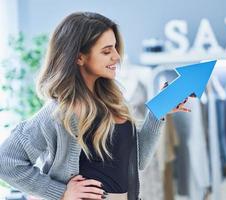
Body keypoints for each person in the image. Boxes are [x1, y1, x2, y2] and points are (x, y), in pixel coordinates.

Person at [0, 12, 190, 200]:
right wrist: (61, 193)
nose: (117, 57)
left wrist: (158, 112)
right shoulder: (59, 112)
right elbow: (6, 162)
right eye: (106, 51)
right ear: (79, 57)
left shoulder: (115, 103)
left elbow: (139, 159)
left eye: (115, 48)